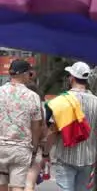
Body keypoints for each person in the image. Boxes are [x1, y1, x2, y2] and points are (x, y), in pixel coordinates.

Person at [41, 62, 97, 191]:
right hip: (88, 160)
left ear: (71, 78)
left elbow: (53, 131)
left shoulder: (62, 101)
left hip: (65, 158)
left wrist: (45, 153)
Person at [0, 60, 41, 191]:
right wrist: (34, 149)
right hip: (21, 148)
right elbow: (36, 127)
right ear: (24, 74)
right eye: (29, 74)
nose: (30, 77)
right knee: (18, 186)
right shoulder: (33, 96)